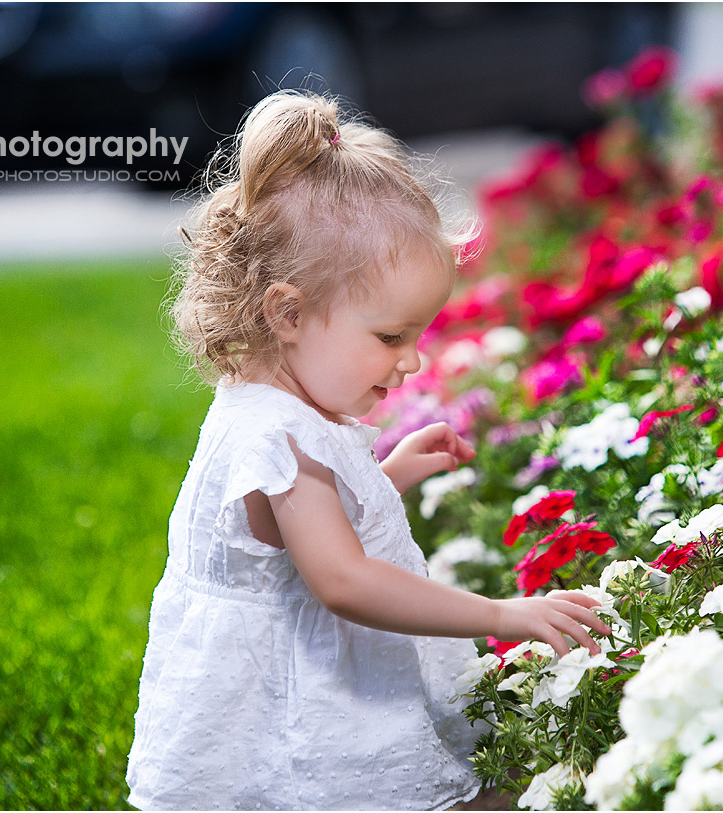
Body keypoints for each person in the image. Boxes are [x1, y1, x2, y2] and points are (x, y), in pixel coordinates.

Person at [125, 90, 609, 811]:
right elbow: (341, 580)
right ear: (287, 313)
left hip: (298, 680)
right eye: (390, 337)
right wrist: (500, 613)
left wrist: (389, 476)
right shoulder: (279, 434)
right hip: (296, 707)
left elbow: (299, 537)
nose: (411, 361)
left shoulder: (278, 409)